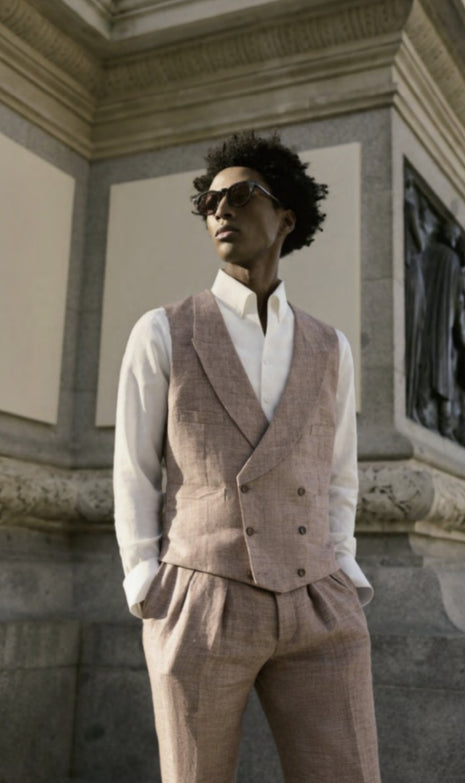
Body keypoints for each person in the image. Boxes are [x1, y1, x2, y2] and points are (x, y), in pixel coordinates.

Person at [113, 130, 381, 783]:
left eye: (240, 195)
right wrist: (146, 581)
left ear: (285, 215)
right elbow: (134, 469)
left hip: (318, 600)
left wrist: (342, 566)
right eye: (209, 201)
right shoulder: (162, 330)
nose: (220, 210)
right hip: (200, 598)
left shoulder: (331, 347)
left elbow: (337, 471)